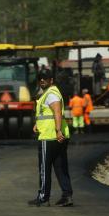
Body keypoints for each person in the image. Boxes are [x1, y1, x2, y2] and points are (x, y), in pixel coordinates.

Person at [28, 69, 73, 207]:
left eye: (45, 78)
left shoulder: (51, 94)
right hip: (55, 136)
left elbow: (57, 112)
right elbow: (46, 113)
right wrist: (37, 123)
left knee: (44, 168)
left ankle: (43, 197)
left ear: (51, 80)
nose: (42, 80)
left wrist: (58, 130)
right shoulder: (49, 93)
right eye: (40, 78)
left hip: (49, 137)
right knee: (60, 167)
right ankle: (67, 195)